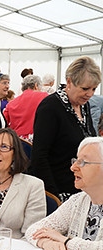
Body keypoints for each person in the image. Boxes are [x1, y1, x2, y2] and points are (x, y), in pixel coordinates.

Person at [30, 56, 100, 201]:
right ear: (69, 82)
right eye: (85, 88)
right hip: (61, 190)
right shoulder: (50, 108)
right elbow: (39, 157)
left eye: (94, 89)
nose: (90, 94)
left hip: (82, 190)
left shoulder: (83, 105)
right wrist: (54, 196)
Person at [26, 137, 103, 250]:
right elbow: (34, 230)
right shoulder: (78, 201)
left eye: (83, 162)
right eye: (76, 160)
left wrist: (64, 241)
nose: (73, 167)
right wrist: (47, 242)